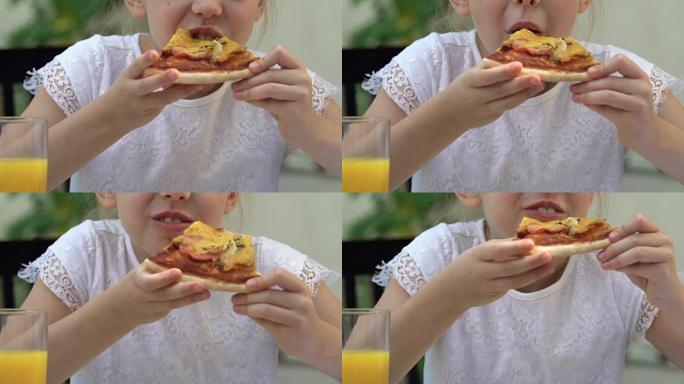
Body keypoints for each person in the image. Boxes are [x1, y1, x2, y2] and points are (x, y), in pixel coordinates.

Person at [18, 192, 341, 384]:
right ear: (107, 190)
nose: (176, 190)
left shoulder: (267, 263)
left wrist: (314, 340)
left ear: (230, 195)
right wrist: (116, 312)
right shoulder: (89, 251)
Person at [362, 0, 684, 191]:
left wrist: (652, 135)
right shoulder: (433, 64)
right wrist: (450, 114)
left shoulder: (616, 73)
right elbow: (357, 172)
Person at [21, 0, 341, 191]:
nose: (207, 6)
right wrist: (109, 117)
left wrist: (311, 130)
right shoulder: (93, 65)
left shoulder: (282, 83)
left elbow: (374, 174)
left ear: (259, 5)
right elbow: (12, 174)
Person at [372, 193, 684, 383]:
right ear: (469, 188)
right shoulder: (443, 251)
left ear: (591, 193)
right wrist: (450, 293)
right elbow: (364, 372)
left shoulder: (619, 270)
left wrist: (670, 295)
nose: (548, 186)